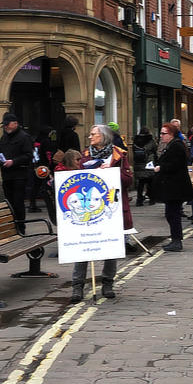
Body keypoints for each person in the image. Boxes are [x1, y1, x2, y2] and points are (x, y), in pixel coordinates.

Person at [67, 124, 133, 301]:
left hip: (111, 207)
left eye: (93, 134)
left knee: (110, 247)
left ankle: (108, 283)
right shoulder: (85, 155)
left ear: (103, 137)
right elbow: (76, 179)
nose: (89, 137)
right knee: (84, 246)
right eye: (90, 134)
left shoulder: (120, 154)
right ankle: (77, 286)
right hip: (89, 207)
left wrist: (111, 173)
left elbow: (128, 180)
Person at [0, 112, 33, 234]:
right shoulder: (4, 137)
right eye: (4, 125)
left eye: (8, 124)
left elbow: (28, 156)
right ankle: (12, 226)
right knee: (9, 202)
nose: (6, 127)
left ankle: (21, 228)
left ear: (15, 124)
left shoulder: (24, 137)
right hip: (7, 175)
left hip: (19, 175)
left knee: (18, 202)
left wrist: (14, 162)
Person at [151, 123, 193, 251]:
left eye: (164, 133)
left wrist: (161, 167)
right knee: (171, 214)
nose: (161, 136)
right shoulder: (172, 145)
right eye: (161, 133)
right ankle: (175, 240)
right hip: (173, 187)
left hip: (176, 187)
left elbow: (175, 165)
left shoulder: (176, 146)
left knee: (172, 214)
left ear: (172, 134)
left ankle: (176, 241)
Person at [132, 126, 157, 206]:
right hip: (148, 163)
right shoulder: (151, 140)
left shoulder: (135, 140)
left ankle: (139, 200)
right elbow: (154, 149)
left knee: (141, 183)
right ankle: (151, 199)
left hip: (138, 164)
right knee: (150, 181)